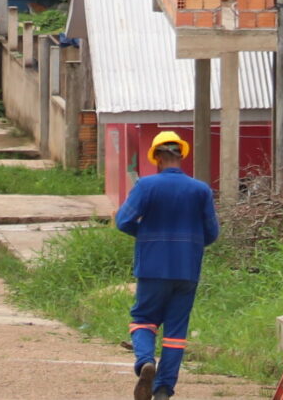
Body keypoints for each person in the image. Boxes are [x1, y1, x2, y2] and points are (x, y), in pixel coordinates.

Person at [114, 131, 218, 400]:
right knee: (175, 332)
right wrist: (188, 244)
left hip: (152, 267)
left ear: (157, 157)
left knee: (143, 320)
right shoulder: (200, 190)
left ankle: (145, 362)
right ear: (181, 156)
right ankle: (163, 388)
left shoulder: (146, 186)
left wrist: (149, 237)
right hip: (187, 270)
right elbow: (212, 233)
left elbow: (123, 221)